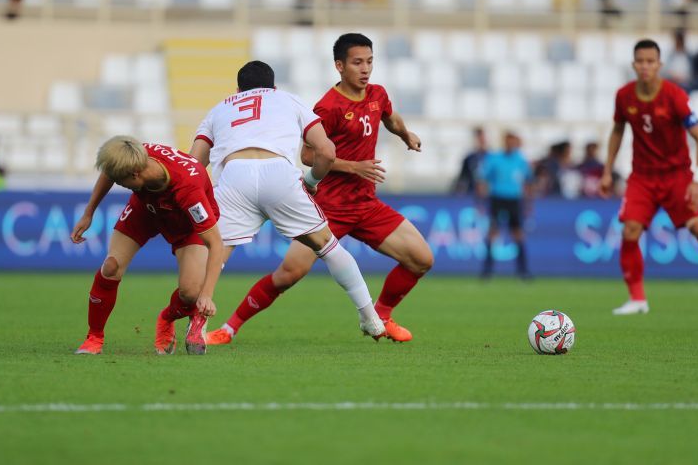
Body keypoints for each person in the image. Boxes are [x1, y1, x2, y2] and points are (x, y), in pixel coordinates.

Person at [203, 33, 433, 345]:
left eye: (369, 61)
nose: (365, 69)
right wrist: (354, 167)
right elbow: (309, 156)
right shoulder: (328, 106)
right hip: (329, 207)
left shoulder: (377, 94)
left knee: (421, 258)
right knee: (288, 274)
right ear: (340, 66)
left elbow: (390, 118)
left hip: (366, 204)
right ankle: (229, 329)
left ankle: (382, 314)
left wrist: (406, 135)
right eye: (357, 63)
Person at [190, 60, 386, 339]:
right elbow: (326, 152)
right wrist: (311, 182)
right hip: (278, 174)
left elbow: (194, 165)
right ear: (273, 87)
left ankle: (197, 325)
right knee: (328, 247)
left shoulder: (219, 109)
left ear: (238, 90)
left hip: (234, 176)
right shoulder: (287, 99)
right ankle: (370, 318)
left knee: (215, 253)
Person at [70, 137, 224, 355]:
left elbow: (216, 244)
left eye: (122, 182)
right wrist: (89, 213)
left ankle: (167, 318)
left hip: (187, 222)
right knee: (111, 267)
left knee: (191, 293)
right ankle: (94, 338)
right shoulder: (132, 157)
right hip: (146, 209)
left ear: (135, 174)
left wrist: (206, 295)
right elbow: (110, 172)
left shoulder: (188, 188)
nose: (120, 185)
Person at [600, 39, 698, 315]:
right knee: (630, 230)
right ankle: (637, 299)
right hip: (642, 177)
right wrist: (607, 170)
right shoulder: (624, 96)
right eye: (640, 61)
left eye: (650, 61)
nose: (645, 66)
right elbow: (617, 130)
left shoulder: (674, 95)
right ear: (633, 65)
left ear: (659, 65)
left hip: (677, 175)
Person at [477, 131, 533, 279]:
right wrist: (481, 199)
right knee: (492, 233)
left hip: (514, 199)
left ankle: (523, 270)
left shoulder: (520, 160)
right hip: (497, 198)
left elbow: (528, 182)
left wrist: (528, 203)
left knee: (518, 234)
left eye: (513, 141)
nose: (511, 144)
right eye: (509, 141)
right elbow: (483, 178)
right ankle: (487, 270)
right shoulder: (495, 158)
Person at [451, 127, 488, 195]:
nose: (481, 141)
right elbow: (463, 178)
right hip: (472, 194)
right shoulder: (469, 159)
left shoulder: (492, 157)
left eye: (482, 138)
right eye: (479, 138)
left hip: (489, 194)